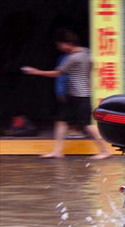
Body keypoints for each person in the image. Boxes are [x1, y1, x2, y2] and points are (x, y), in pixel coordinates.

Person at [22, 29, 111, 159]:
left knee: (87, 125)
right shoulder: (86, 52)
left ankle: (105, 150)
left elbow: (56, 73)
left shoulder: (73, 58)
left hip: (80, 96)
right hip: (76, 94)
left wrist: (35, 71)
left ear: (67, 43)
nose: (58, 47)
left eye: (59, 45)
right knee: (61, 121)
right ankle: (58, 151)